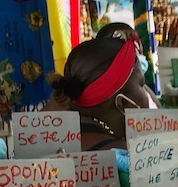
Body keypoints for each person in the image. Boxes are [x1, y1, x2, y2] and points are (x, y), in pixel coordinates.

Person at [49, 23, 159, 151]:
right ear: (122, 102)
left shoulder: (61, 132)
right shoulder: (126, 154)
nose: (145, 92)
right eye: (141, 83)